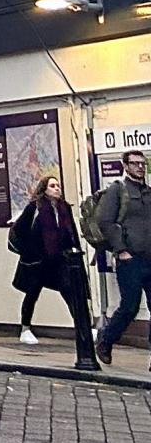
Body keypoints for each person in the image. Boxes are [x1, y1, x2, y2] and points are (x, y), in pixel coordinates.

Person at [9, 175, 99, 369]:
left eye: (58, 185)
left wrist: (74, 250)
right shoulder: (35, 208)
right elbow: (19, 231)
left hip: (61, 259)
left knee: (70, 291)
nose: (56, 189)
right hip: (39, 260)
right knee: (32, 293)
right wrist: (30, 251)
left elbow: (71, 232)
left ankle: (82, 326)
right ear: (44, 189)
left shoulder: (64, 208)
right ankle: (25, 328)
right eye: (52, 186)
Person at [94, 147, 151, 365]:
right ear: (125, 166)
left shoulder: (148, 192)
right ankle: (106, 340)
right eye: (135, 163)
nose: (139, 167)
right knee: (130, 306)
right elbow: (105, 221)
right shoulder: (118, 190)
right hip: (130, 260)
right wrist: (121, 250)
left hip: (149, 257)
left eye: (142, 163)